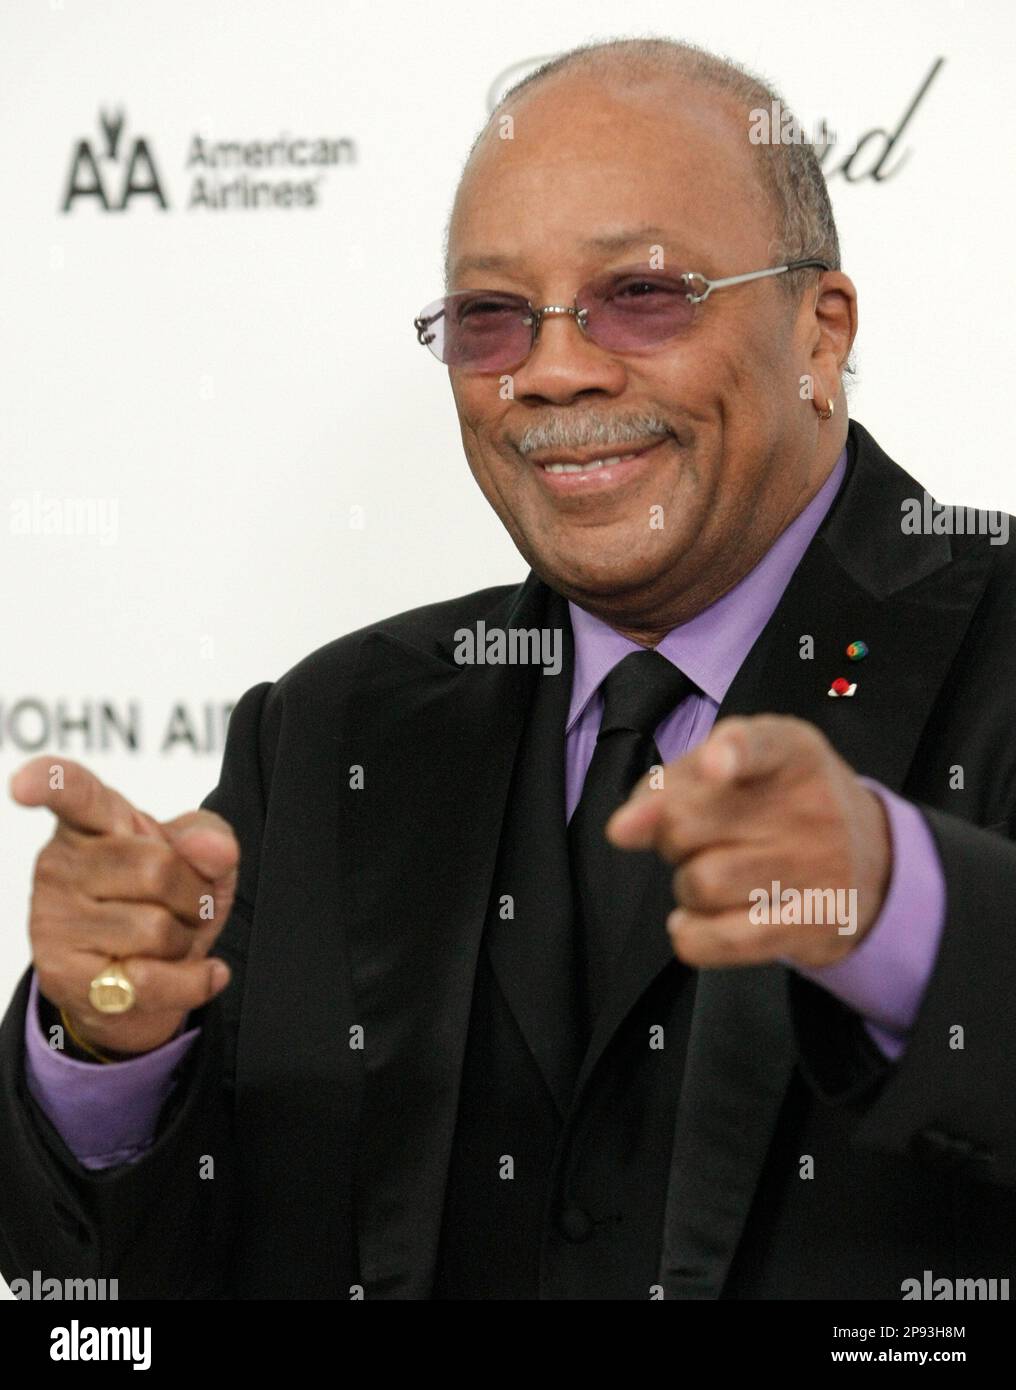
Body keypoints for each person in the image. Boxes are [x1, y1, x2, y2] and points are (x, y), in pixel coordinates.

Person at [2, 36, 1015, 1301]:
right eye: (490, 319)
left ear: (819, 331)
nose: (549, 369)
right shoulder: (330, 730)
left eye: (640, 293)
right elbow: (118, 1302)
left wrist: (902, 910)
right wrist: (109, 1048)